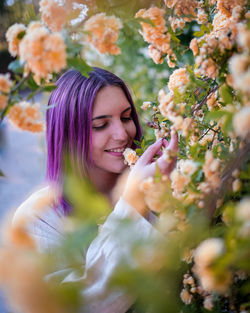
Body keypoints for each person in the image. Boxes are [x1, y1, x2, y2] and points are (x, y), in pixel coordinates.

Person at [12, 68, 178, 313]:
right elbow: (80, 305)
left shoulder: (162, 181)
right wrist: (133, 203)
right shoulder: (38, 219)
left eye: (126, 117)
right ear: (68, 134)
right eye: (101, 125)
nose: (122, 134)